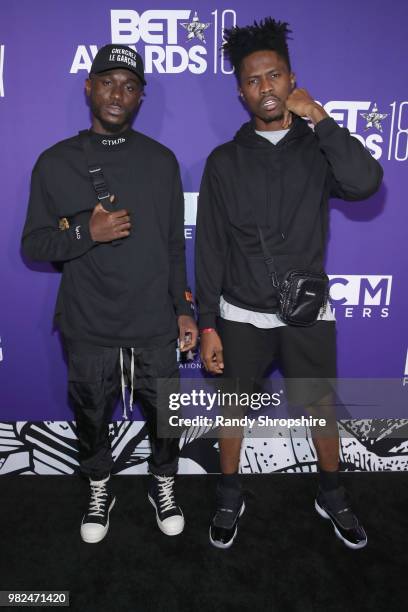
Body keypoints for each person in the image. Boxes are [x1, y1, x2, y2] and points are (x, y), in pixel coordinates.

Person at [195, 19, 382, 550]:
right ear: (240, 92)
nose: (265, 87)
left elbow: (366, 182)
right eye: (253, 80)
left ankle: (332, 492)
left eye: (274, 75)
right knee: (233, 409)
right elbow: (209, 246)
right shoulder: (224, 161)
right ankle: (229, 494)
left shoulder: (318, 147)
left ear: (291, 79)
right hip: (241, 314)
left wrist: (320, 118)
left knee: (319, 403)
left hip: (307, 312)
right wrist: (208, 323)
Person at [22, 44, 198, 543]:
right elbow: (33, 244)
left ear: (141, 96)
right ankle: (101, 484)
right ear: (88, 86)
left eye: (129, 85)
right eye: (108, 81)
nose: (117, 93)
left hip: (153, 324)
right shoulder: (55, 162)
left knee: (167, 416)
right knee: (91, 415)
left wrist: (184, 310)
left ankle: (163, 482)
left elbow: (171, 245)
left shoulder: (162, 162)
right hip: (88, 323)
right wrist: (86, 234)